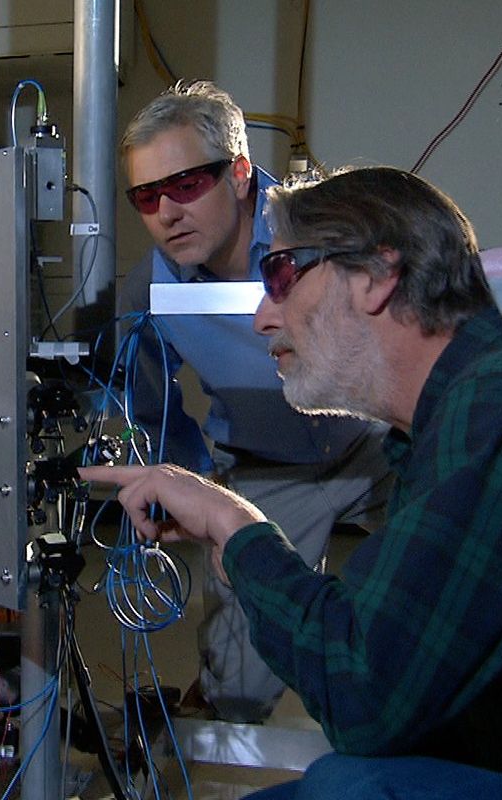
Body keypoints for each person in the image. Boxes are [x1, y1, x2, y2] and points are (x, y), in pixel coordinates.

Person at [82, 166, 502, 799]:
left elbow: (360, 691)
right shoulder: (458, 421)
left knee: (350, 785)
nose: (261, 318)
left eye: (281, 275)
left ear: (374, 275)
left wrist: (237, 529)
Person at [118, 80, 392, 723]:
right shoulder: (150, 290)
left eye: (186, 185)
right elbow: (149, 400)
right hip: (266, 471)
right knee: (235, 689)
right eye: (147, 196)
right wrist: (194, 485)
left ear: (240, 174)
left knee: (441, 594)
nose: (167, 212)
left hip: (371, 444)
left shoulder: (326, 230)